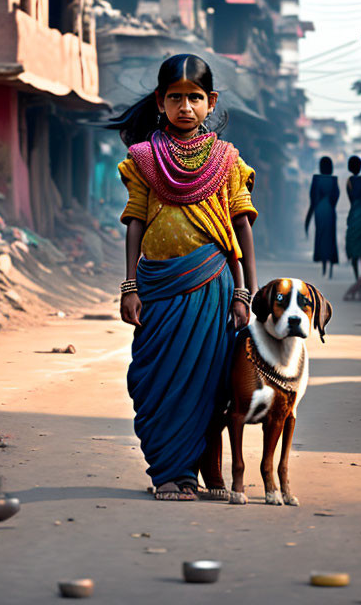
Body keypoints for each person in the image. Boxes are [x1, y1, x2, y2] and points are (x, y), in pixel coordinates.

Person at [112, 54, 258, 502]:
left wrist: (244, 291)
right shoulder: (142, 160)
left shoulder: (228, 161)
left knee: (204, 382)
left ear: (210, 102)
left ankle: (189, 474)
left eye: (195, 97)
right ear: (160, 101)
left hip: (212, 284)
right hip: (156, 286)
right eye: (175, 97)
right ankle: (166, 472)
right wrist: (129, 286)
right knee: (155, 379)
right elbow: (135, 221)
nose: (185, 107)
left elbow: (240, 225)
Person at [304, 156, 339, 277]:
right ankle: (330, 269)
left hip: (319, 211)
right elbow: (336, 197)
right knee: (331, 237)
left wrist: (308, 220)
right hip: (330, 210)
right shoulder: (334, 180)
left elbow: (313, 198)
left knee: (321, 236)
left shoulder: (316, 179)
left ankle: (324, 265)